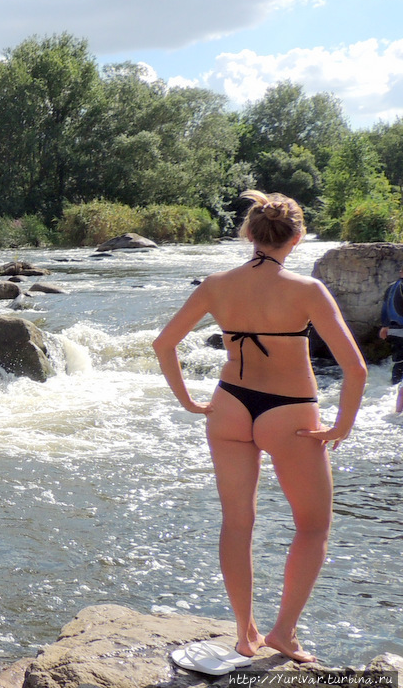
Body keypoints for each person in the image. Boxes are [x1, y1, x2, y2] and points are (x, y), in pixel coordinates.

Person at [152, 190, 365, 664]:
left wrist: (187, 400)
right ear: (298, 236)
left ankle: (244, 634)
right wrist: (341, 426)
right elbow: (357, 370)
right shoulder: (307, 290)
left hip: (229, 405)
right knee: (313, 527)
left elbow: (163, 344)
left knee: (237, 522)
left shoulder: (216, 285)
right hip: (289, 412)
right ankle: (283, 634)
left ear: (249, 233)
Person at [377, 265, 403, 412]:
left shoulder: (392, 287)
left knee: (399, 363)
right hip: (399, 331)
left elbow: (385, 309)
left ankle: (393, 389)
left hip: (393, 331)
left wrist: (384, 326)